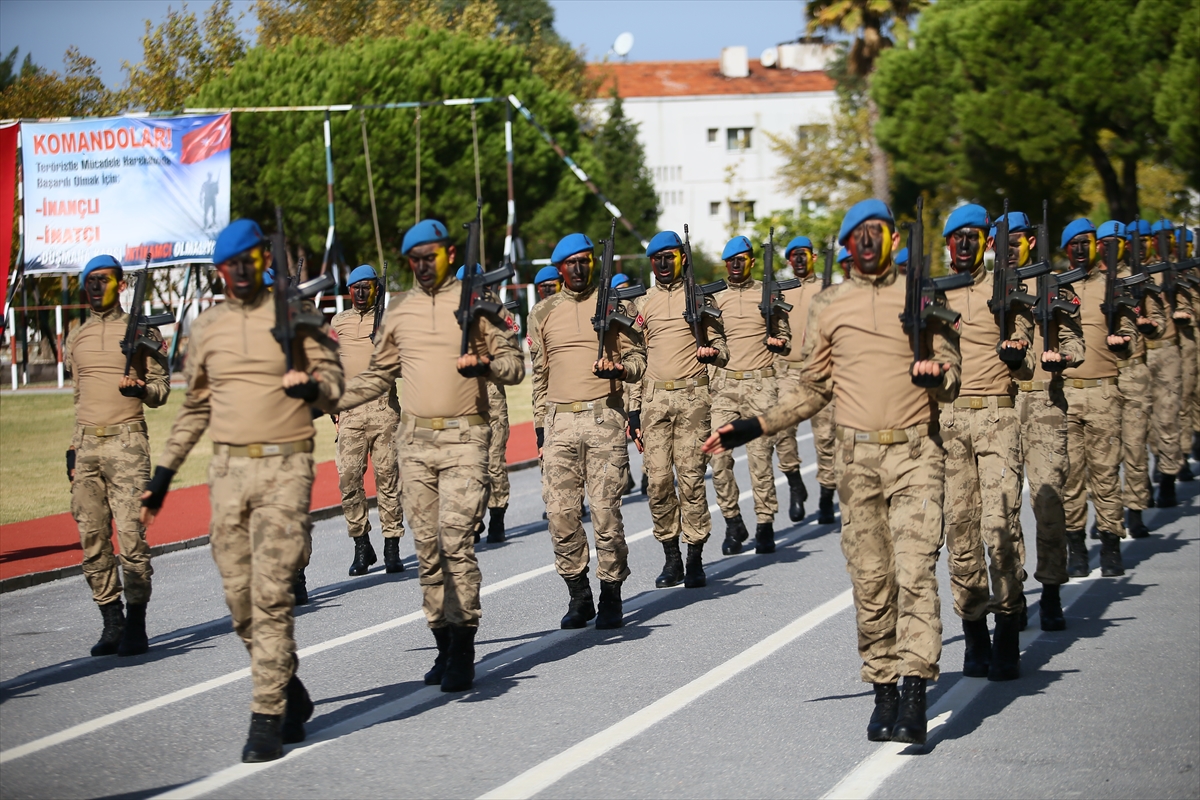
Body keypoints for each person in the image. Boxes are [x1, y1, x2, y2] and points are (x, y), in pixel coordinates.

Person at [704, 198, 961, 745]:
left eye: (878, 233)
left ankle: (915, 690)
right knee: (871, 580)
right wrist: (752, 426)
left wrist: (937, 373)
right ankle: (883, 688)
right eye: (859, 235)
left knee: (914, 574)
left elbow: (953, 375)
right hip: (857, 460)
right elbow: (812, 389)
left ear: (892, 238)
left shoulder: (921, 295)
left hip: (917, 455)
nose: (869, 243)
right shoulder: (828, 305)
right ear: (847, 246)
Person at [141, 219, 345, 762]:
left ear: (261, 259)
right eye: (230, 265)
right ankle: (289, 687)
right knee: (239, 601)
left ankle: (266, 717)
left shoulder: (298, 315)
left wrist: (312, 387)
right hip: (228, 474)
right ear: (220, 271)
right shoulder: (207, 327)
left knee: (273, 594)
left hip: (285, 468)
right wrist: (162, 476)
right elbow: (195, 407)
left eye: (249, 260)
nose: (240, 272)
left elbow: (336, 389)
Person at [337, 218, 525, 693]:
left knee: (455, 542)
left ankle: (464, 646)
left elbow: (514, 366)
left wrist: (485, 363)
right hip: (414, 442)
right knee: (427, 549)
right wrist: (323, 398)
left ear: (450, 254)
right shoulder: (398, 312)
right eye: (414, 260)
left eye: (431, 256)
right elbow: (378, 377)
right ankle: (442, 641)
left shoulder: (480, 304)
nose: (423, 266)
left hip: (466, 438)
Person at [938, 205, 1037, 681]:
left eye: (970, 236)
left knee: (1000, 527)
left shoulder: (1008, 290)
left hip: (998, 416)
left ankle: (1009, 627)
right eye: (954, 238)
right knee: (960, 533)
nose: (961, 244)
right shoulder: (932, 294)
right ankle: (974, 630)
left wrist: (1015, 355)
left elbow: (1029, 366)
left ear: (985, 241)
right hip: (950, 422)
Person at [528, 233, 646, 629]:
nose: (579, 269)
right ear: (559, 268)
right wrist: (541, 433)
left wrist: (621, 370)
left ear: (593, 263)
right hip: (559, 421)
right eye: (571, 263)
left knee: (606, 514)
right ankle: (579, 596)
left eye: (585, 261)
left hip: (604, 419)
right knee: (560, 515)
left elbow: (639, 359)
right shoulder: (542, 312)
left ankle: (611, 594)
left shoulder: (615, 304)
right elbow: (539, 378)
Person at [65, 254, 170, 658]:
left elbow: (161, 390)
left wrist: (140, 389)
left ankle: (136, 623)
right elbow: (79, 396)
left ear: (121, 285)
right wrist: (75, 447)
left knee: (131, 538)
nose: (95, 287)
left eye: (103, 280)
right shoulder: (76, 337)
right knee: (91, 536)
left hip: (127, 444)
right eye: (89, 281)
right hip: (87, 443)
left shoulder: (141, 330)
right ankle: (112, 621)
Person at [628, 230, 729, 588]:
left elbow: (722, 347)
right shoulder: (641, 303)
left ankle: (695, 556)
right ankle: (671, 557)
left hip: (692, 400)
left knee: (690, 481)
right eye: (656, 259)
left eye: (669, 257)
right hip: (654, 401)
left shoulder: (701, 298)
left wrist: (712, 353)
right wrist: (633, 411)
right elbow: (635, 358)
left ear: (682, 258)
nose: (663, 264)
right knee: (657, 482)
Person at [1008, 216, 1086, 626]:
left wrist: (1065, 357)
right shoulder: (979, 289)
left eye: (1016, 241)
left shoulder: (1054, 285)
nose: (1007, 249)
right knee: (1000, 510)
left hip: (1043, 405)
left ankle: (1052, 589)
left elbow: (1076, 342)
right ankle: (1013, 595)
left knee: (1049, 501)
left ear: (1032, 241)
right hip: (997, 408)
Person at [1060, 218, 1137, 577]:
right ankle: (1076, 547)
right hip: (1066, 395)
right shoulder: (1055, 286)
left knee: (1106, 474)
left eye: (1086, 243)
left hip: (1105, 389)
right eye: (1073, 244)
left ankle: (1109, 544)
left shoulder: (1113, 284)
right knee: (1071, 477)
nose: (1080, 249)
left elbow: (1129, 329)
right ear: (1065, 250)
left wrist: (1124, 340)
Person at [710, 236, 791, 555]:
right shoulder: (714, 296)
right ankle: (732, 521)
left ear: (752, 261)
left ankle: (765, 523)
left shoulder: (769, 292)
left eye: (741, 259)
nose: (736, 265)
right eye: (730, 261)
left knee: (760, 458)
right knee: (719, 458)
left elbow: (785, 334)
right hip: (725, 385)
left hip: (761, 383)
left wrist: (779, 342)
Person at [331, 264, 405, 575]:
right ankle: (362, 544)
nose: (361, 293)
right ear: (348, 291)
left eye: (367, 287)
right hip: (350, 411)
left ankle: (392, 546)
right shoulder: (338, 322)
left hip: (383, 410)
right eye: (355, 287)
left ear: (376, 288)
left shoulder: (388, 321)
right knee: (348, 481)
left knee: (388, 480)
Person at [774, 235, 836, 524]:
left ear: (813, 257)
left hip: (820, 370)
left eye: (805, 254)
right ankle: (795, 482)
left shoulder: (829, 289)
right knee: (782, 432)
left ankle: (826, 494)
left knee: (826, 438)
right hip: (787, 370)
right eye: (794, 255)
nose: (799, 259)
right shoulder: (779, 290)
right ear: (788, 261)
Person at [456, 265, 519, 545]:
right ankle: (473, 519)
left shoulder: (498, 314)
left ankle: (497, 517)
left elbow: (510, 354)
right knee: (467, 465)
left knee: (494, 461)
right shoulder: (453, 315)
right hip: (463, 398)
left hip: (492, 394)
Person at [1099, 223, 1153, 539]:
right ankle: (1107, 513)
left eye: (1114, 243)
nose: (1108, 248)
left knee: (1133, 444)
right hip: (1101, 375)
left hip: (1132, 369)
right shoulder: (1084, 279)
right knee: (1103, 454)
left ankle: (1135, 509)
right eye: (1103, 243)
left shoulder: (1135, 277)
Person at [1134, 219, 1185, 507]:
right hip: (1136, 356)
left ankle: (1166, 477)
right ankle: (1140, 489)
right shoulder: (1124, 274)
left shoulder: (1162, 269)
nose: (1140, 248)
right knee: (1139, 426)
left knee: (1166, 417)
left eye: (1145, 242)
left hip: (1165, 349)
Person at [612, 272, 649, 496]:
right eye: (621, 290)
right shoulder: (608, 315)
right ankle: (625, 478)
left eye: (628, 288)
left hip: (638, 375)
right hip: (617, 380)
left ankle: (647, 473)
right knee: (617, 432)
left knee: (641, 426)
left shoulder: (638, 314)